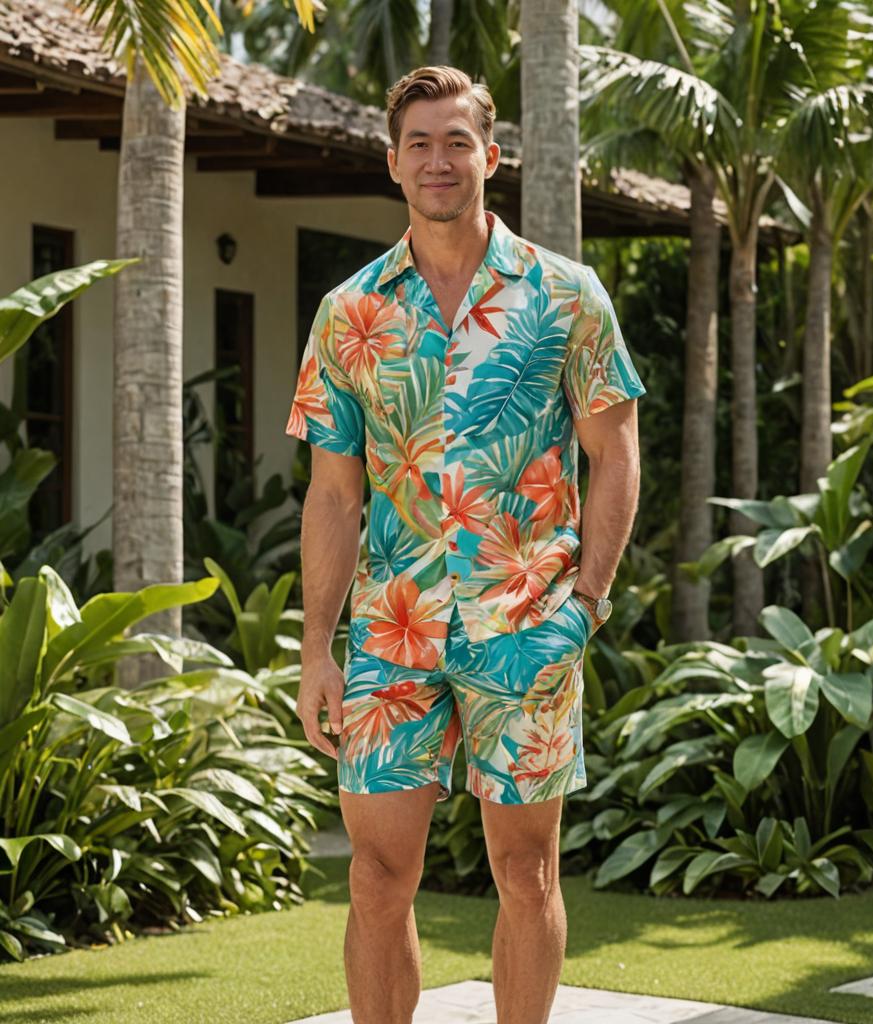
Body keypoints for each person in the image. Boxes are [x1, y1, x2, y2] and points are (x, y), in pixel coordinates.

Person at [285, 64, 646, 1024]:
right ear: (393, 165)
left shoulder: (566, 297)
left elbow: (615, 453)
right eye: (418, 143)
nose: (437, 160)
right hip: (393, 636)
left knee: (526, 872)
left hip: (529, 626)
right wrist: (317, 648)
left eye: (456, 141)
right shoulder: (349, 312)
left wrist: (588, 600)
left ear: (491, 156)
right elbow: (331, 494)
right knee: (374, 876)